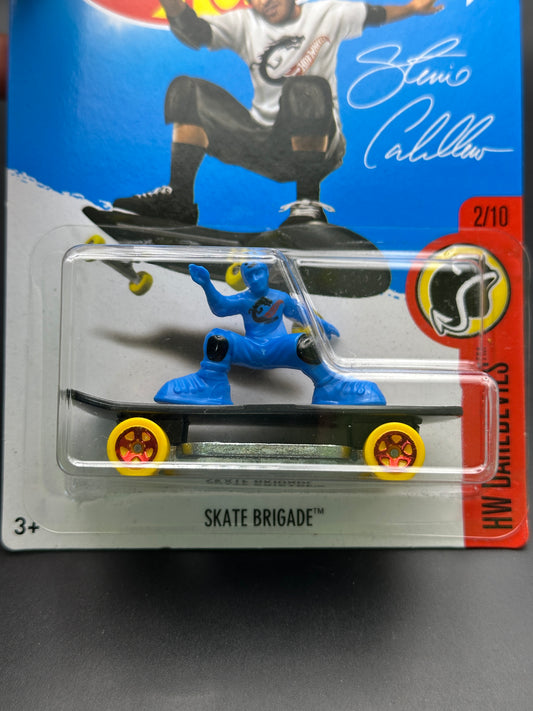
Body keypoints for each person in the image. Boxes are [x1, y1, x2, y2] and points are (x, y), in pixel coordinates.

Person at [114, 0, 443, 227]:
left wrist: (412, 8)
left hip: (321, 146)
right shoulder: (245, 23)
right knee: (186, 89)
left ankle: (308, 205)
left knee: (305, 87)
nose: (264, 3)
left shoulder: (328, 12)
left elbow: (374, 14)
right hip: (262, 143)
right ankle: (179, 200)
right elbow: (194, 33)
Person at [154, 261, 386, 405]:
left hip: (279, 347)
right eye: (250, 275)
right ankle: (210, 386)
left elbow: (302, 315)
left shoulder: (281, 297)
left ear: (266, 273)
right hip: (252, 349)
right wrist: (206, 284)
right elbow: (221, 307)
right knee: (217, 338)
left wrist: (322, 326)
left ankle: (331, 388)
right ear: (244, 279)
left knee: (305, 343)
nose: (255, 279)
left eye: (258, 273)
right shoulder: (243, 298)